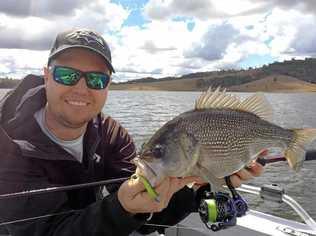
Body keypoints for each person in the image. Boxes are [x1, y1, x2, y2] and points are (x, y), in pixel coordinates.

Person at [0, 29, 263, 236]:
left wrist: (196, 188)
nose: (81, 88)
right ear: (46, 76)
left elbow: (149, 214)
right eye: (67, 75)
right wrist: (120, 207)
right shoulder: (6, 144)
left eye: (96, 79)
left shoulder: (111, 135)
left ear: (107, 86)